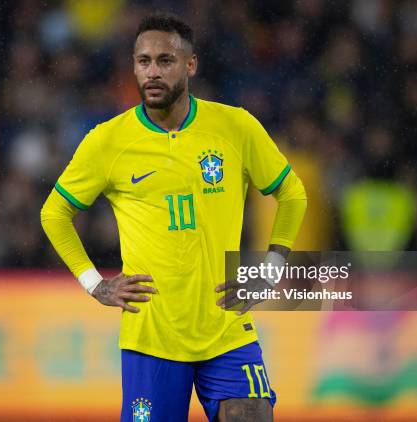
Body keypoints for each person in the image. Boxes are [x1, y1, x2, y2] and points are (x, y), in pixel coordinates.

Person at [41, 14, 307, 422]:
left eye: (165, 60)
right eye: (143, 61)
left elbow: (292, 194)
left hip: (226, 327)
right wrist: (94, 284)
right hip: (152, 336)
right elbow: (54, 213)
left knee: (251, 415)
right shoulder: (107, 141)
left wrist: (269, 271)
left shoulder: (235, 126)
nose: (152, 71)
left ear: (190, 65)